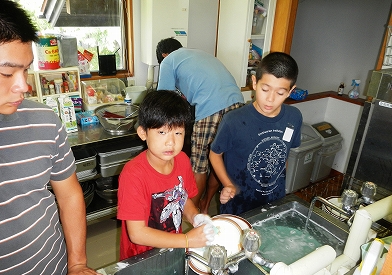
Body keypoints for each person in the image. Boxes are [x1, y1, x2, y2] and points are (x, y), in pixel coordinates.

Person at [0, 1, 109, 275]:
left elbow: (69, 194)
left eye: (26, 70)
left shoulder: (43, 121)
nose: (24, 86)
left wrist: (78, 263)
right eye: (7, 73)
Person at [117, 90, 215, 260]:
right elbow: (137, 234)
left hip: (173, 248)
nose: (171, 142)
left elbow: (182, 198)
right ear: (143, 133)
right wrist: (187, 239)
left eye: (178, 133)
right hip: (140, 258)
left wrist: (194, 216)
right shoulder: (133, 174)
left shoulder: (182, 160)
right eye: (162, 132)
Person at [156, 38, 244, 214]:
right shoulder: (197, 53)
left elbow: (162, 100)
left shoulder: (168, 60)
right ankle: (205, 205)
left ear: (164, 55)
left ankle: (191, 215)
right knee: (218, 159)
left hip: (211, 110)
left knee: (199, 166)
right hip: (239, 105)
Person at [209, 52, 303, 215]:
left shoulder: (294, 117)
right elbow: (214, 154)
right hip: (238, 203)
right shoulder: (233, 120)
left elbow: (284, 154)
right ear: (254, 82)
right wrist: (228, 184)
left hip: (274, 200)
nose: (270, 99)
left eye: (280, 93)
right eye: (265, 89)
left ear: (290, 91)